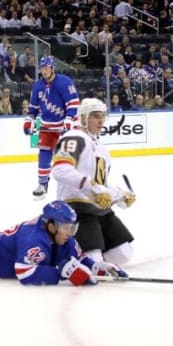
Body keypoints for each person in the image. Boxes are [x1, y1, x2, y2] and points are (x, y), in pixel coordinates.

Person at [51, 98, 137, 265]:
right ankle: (65, 253)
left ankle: (84, 251)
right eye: (96, 116)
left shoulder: (101, 148)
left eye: (103, 116)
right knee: (93, 262)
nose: (101, 121)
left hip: (100, 211)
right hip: (77, 208)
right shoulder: (73, 137)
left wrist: (120, 195)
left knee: (123, 255)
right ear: (83, 118)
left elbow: (101, 185)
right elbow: (60, 170)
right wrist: (92, 189)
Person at [23, 56, 80, 198]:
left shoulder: (64, 82)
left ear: (53, 68)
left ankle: (76, 183)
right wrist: (29, 120)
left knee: (70, 155)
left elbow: (73, 103)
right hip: (47, 125)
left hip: (65, 125)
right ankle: (42, 184)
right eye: (42, 68)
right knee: (44, 154)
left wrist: (68, 120)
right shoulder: (37, 86)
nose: (44, 71)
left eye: (46, 68)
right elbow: (33, 108)